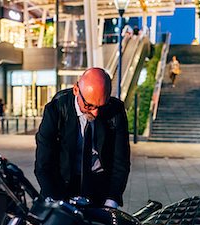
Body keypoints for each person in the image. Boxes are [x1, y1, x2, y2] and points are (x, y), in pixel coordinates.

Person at [35, 67, 130, 208]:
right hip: (62, 184)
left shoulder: (115, 111)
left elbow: (121, 161)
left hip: (99, 186)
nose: (96, 113)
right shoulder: (56, 109)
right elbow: (44, 163)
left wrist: (112, 200)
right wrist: (53, 200)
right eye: (89, 105)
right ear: (76, 90)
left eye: (101, 106)